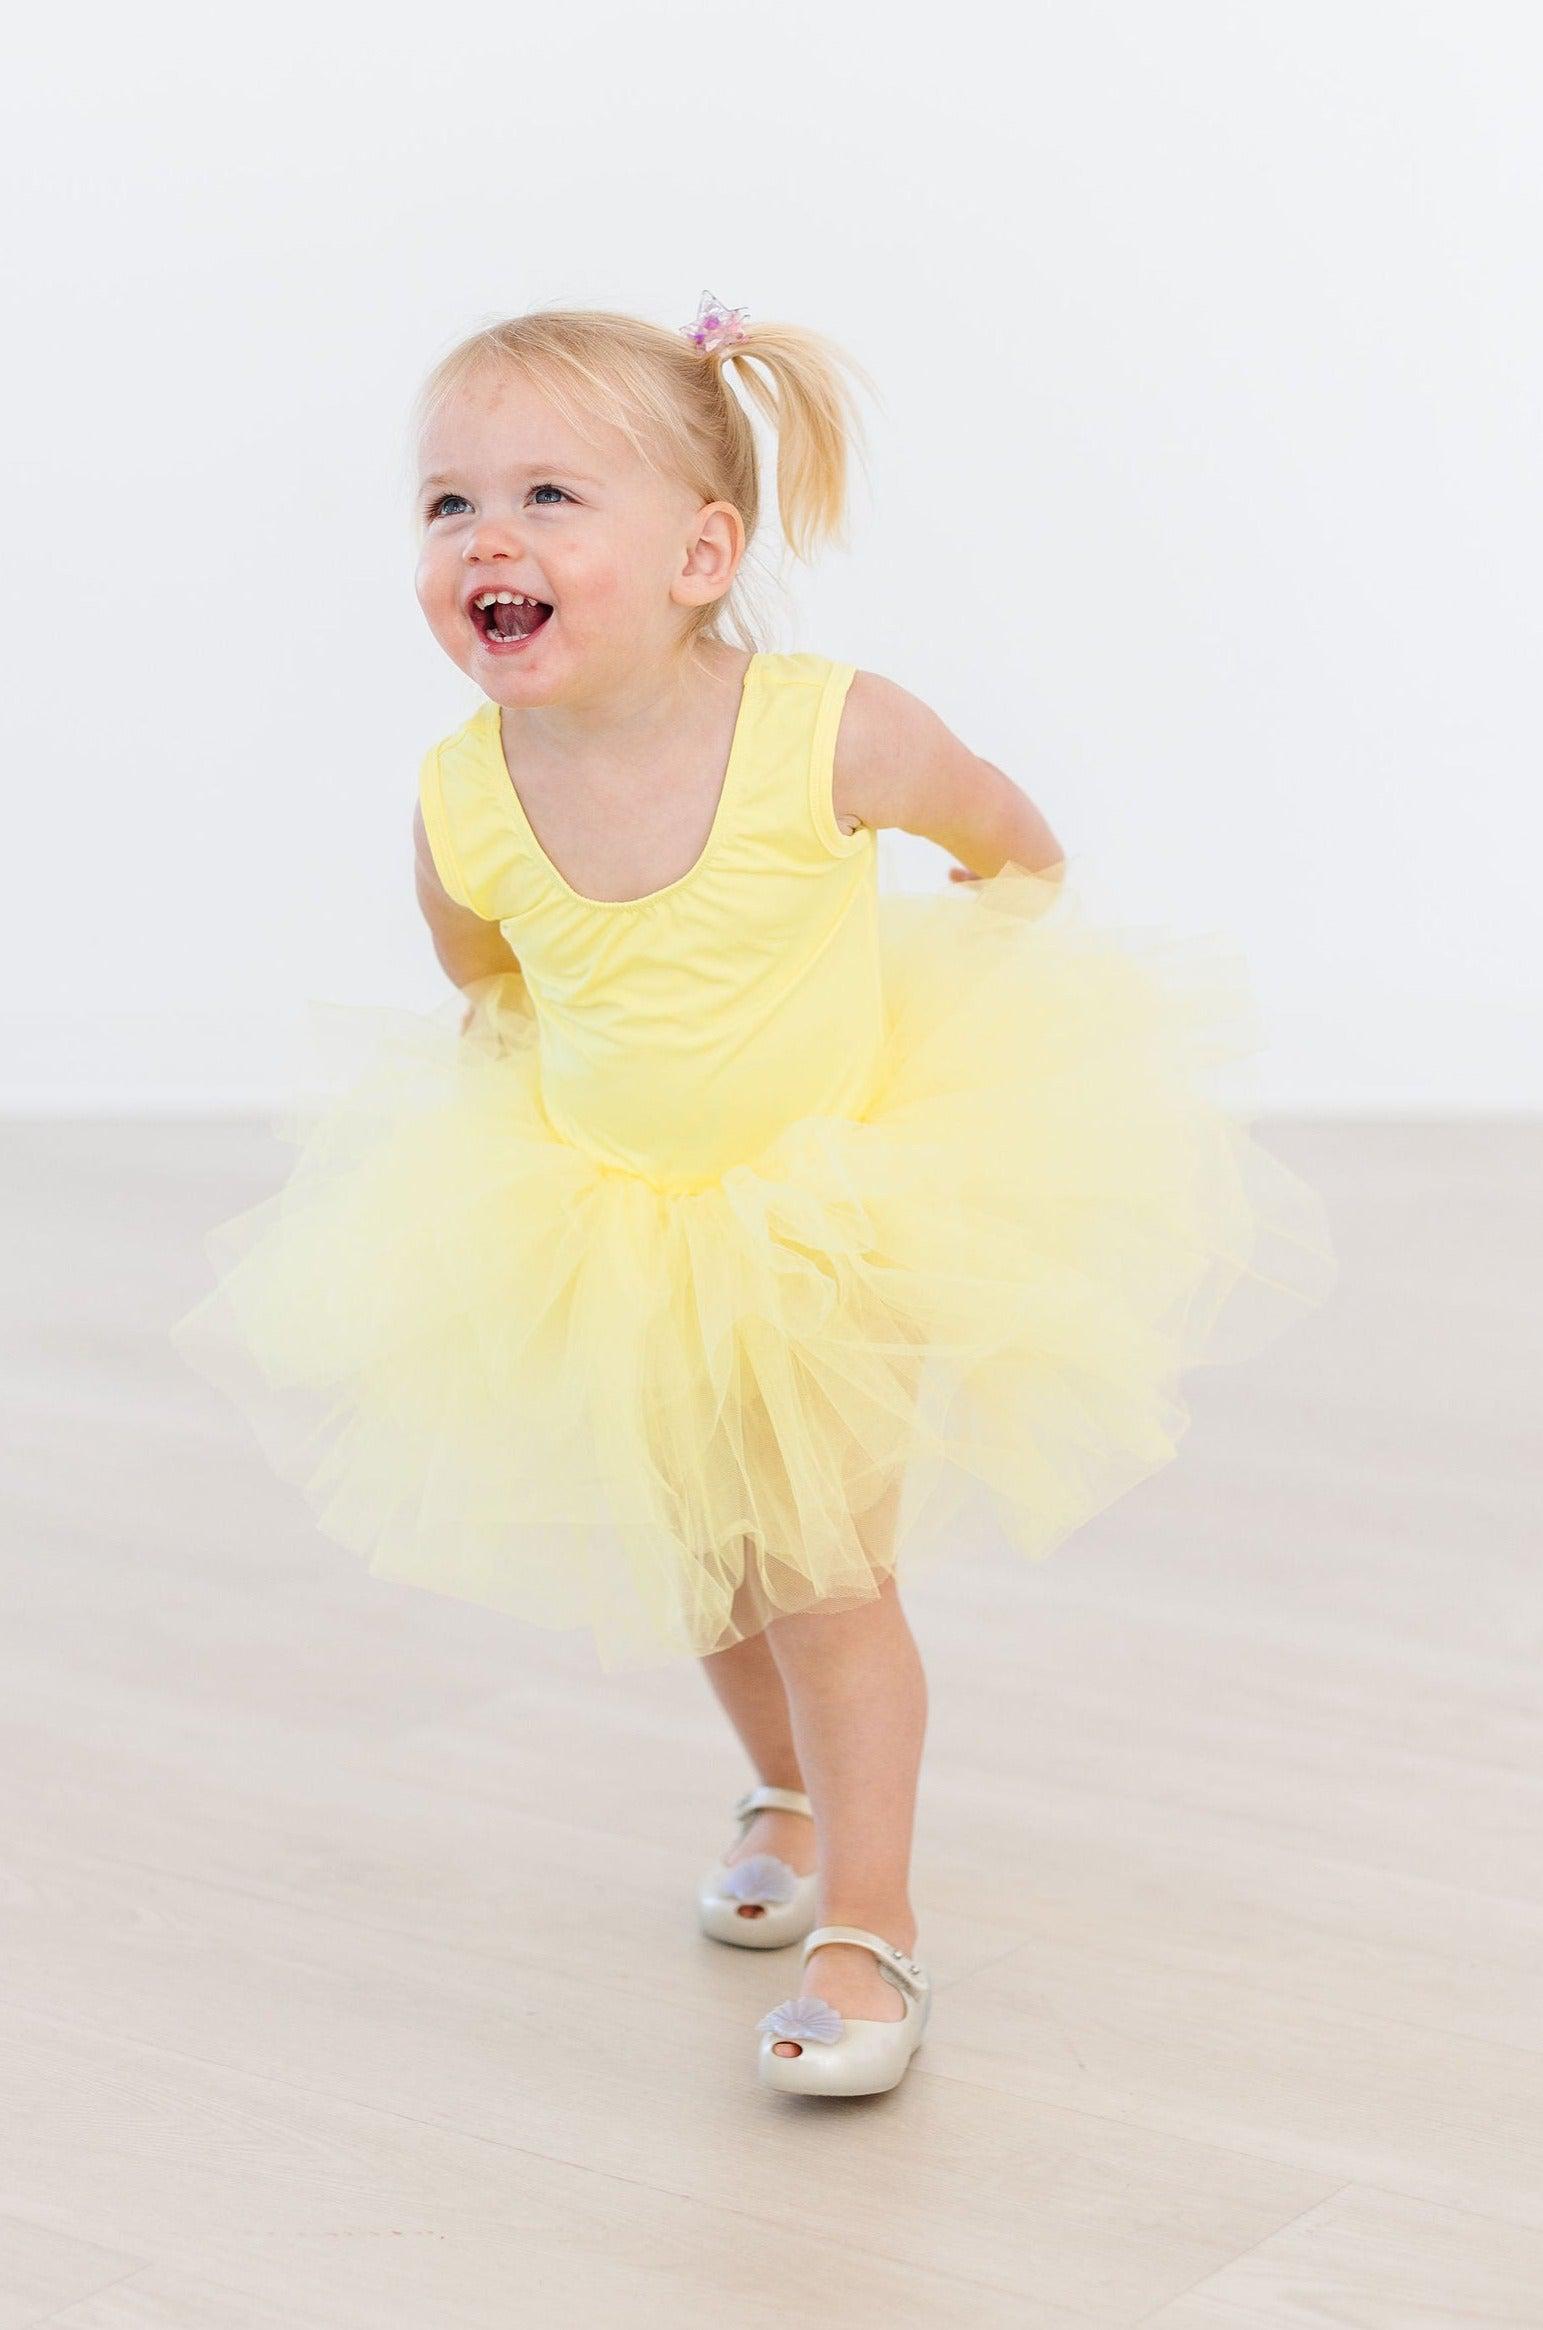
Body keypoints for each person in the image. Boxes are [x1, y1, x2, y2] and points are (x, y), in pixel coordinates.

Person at [170, 291, 1336, 2097]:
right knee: (702, 1563)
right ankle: (782, 1787)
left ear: (704, 551)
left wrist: (989, 962)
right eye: (448, 503)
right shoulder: (462, 795)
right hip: (620, 1230)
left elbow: (1012, 841)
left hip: (827, 1211)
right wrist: (523, 1098)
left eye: (553, 496)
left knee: (823, 1568)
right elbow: (482, 969)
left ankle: (875, 1922)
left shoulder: (828, 734)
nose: (491, 537)